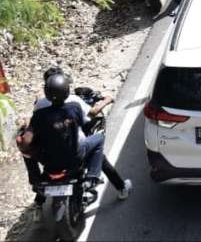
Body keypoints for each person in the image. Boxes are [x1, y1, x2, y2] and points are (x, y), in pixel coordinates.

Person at [19, 68, 131, 202]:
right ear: (66, 88)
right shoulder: (74, 104)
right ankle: (100, 180)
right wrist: (106, 100)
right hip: (75, 153)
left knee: (28, 152)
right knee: (99, 145)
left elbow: (27, 139)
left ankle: (37, 191)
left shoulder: (39, 109)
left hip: (48, 158)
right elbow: (89, 117)